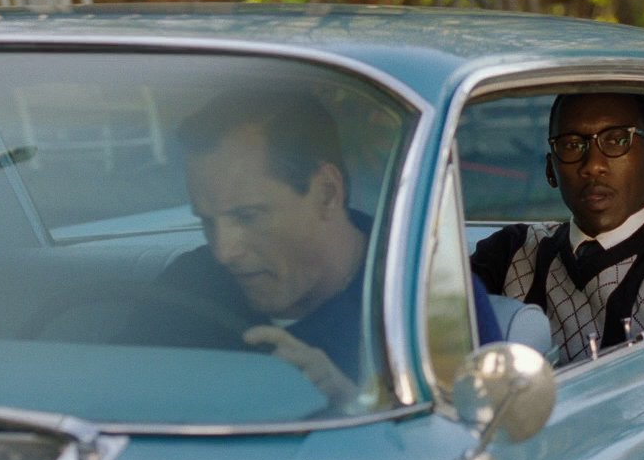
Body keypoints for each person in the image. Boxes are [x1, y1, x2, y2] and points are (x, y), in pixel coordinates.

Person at [160, 91, 504, 406]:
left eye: (247, 216)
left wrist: (350, 403)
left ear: (326, 193)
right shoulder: (187, 288)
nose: (223, 252)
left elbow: (471, 442)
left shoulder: (423, 301)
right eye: (207, 221)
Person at [470, 92, 644, 366]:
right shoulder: (511, 252)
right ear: (550, 170)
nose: (593, 166)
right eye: (571, 145)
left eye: (617, 140)